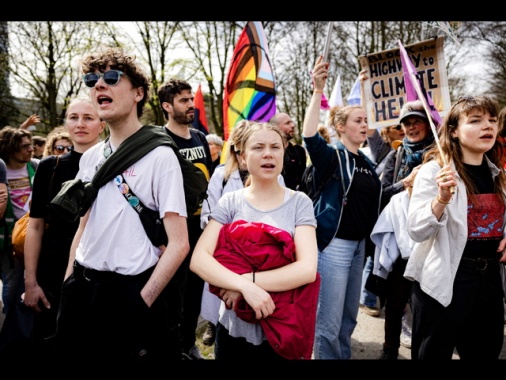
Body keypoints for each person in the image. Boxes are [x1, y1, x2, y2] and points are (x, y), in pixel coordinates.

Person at [54, 47, 190, 364]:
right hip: (81, 288)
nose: (99, 84)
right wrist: (67, 285)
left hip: (128, 292)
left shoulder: (161, 156)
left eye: (112, 77)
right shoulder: (90, 158)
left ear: (138, 93)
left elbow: (179, 243)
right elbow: (84, 227)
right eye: (92, 79)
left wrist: (141, 302)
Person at [190, 121, 319, 360]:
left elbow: (307, 269)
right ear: (242, 157)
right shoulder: (230, 202)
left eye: (275, 147)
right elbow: (199, 259)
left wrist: (245, 283)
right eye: (258, 147)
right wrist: (246, 288)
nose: (268, 153)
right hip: (232, 330)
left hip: (281, 331)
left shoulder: (300, 202)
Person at [405, 95, 506, 360]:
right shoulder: (434, 171)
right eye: (475, 120)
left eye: (492, 120)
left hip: (489, 282)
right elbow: (416, 229)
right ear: (454, 131)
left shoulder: (500, 175)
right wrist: (441, 199)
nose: (488, 126)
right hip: (446, 278)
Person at [303, 55, 381, 359]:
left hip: (359, 246)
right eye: (358, 121)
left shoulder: (366, 162)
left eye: (366, 120)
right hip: (334, 246)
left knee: (349, 319)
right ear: (340, 126)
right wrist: (317, 90)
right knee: (328, 322)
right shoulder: (331, 156)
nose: (365, 125)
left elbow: (376, 198)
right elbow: (309, 135)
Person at [23, 97, 105, 360]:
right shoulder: (49, 166)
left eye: (88, 118)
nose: (79, 124)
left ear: (102, 124)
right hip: (52, 273)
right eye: (73, 117)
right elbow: (35, 226)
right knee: (49, 346)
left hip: (97, 271)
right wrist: (31, 282)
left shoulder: (116, 165)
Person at [199, 120, 286, 350]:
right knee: (227, 315)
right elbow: (208, 216)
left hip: (264, 263)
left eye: (273, 147)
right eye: (255, 147)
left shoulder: (278, 181)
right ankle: (215, 327)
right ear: (239, 152)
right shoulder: (222, 177)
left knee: (264, 318)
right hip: (228, 260)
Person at [157, 78, 212, 360]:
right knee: (172, 297)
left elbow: (210, 183)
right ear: (167, 106)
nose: (191, 105)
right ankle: (172, 349)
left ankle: (188, 344)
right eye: (183, 100)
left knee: (194, 295)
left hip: (200, 229)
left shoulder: (201, 138)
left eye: (191, 99)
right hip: (172, 233)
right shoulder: (160, 142)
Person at [376, 100, 435, 360]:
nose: (411, 128)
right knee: (395, 300)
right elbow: (381, 195)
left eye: (417, 122)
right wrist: (405, 183)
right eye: (407, 123)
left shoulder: (441, 152)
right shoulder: (396, 155)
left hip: (432, 240)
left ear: (428, 124)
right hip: (401, 242)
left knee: (426, 304)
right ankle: (390, 351)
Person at [359, 124, 405, 318]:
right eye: (397, 126)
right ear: (386, 130)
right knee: (375, 255)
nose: (403, 129)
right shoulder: (382, 148)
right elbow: (370, 128)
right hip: (380, 210)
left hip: (401, 212)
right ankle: (368, 298)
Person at [0, 127, 38, 358]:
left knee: (19, 281)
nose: (30, 149)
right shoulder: (2, 170)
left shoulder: (35, 166)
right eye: (24, 146)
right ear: (11, 147)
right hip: (5, 233)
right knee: (11, 281)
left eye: (31, 144)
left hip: (27, 235)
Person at [269, 112, 307, 190]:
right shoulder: (268, 152)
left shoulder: (299, 150)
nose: (293, 125)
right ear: (276, 128)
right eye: (287, 123)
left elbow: (303, 179)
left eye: (292, 122)